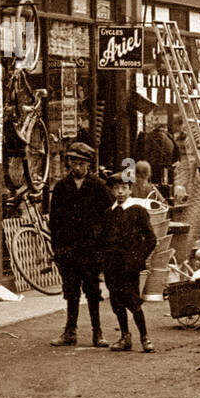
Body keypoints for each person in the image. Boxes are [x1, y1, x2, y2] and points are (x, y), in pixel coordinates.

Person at [48, 141, 112, 348]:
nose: (77, 168)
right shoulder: (61, 187)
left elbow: (107, 218)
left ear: (88, 165)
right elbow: (55, 221)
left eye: (82, 164)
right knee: (71, 291)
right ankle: (70, 331)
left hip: (91, 250)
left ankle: (97, 332)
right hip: (68, 250)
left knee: (93, 291)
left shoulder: (98, 187)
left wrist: (102, 247)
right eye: (74, 163)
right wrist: (57, 248)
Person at [101, 170, 158, 352]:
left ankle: (145, 337)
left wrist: (138, 258)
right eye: (116, 188)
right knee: (116, 302)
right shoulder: (109, 213)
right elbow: (103, 240)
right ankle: (125, 336)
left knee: (133, 301)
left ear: (130, 189)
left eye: (123, 188)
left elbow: (151, 239)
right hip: (112, 266)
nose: (119, 192)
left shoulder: (137, 211)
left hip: (129, 267)